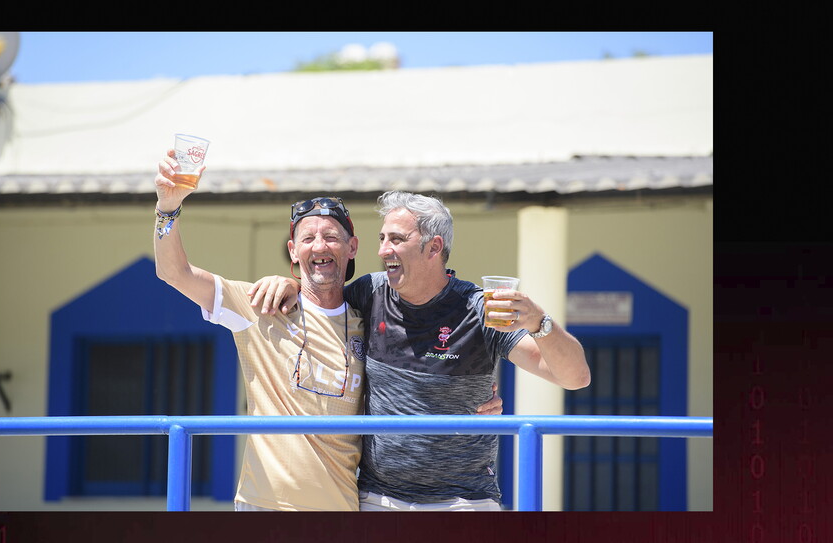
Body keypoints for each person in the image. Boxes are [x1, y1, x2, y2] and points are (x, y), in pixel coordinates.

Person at [152, 153, 502, 511]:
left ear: (352, 248)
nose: (319, 246)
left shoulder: (368, 316)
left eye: (331, 237)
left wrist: (474, 401)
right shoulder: (259, 304)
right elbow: (174, 272)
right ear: (293, 251)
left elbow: (417, 369)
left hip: (345, 511)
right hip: (266, 507)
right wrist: (167, 209)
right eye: (308, 238)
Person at [252, 190, 591, 511]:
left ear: (433, 247)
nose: (384, 250)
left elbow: (574, 377)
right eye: (382, 239)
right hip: (379, 500)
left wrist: (539, 322)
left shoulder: (478, 310)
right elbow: (322, 294)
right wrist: (290, 283)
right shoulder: (370, 293)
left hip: (465, 501)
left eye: (397, 239)